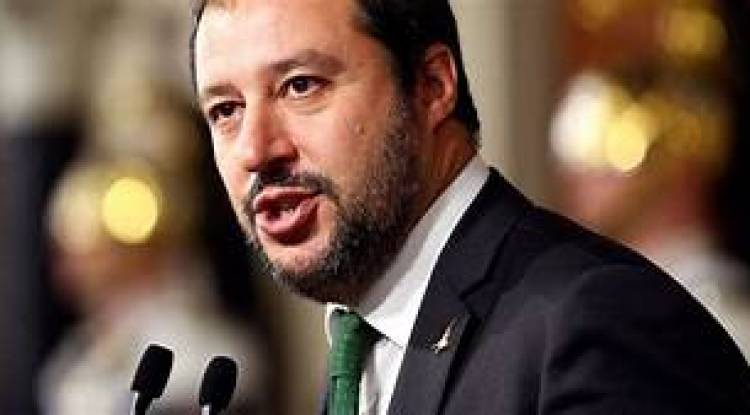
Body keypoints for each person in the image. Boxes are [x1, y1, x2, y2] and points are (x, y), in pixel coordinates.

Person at [190, 0, 750, 414]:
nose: (255, 150)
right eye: (225, 110)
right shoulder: (358, 350)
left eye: (301, 86)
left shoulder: (598, 324)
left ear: (433, 86)